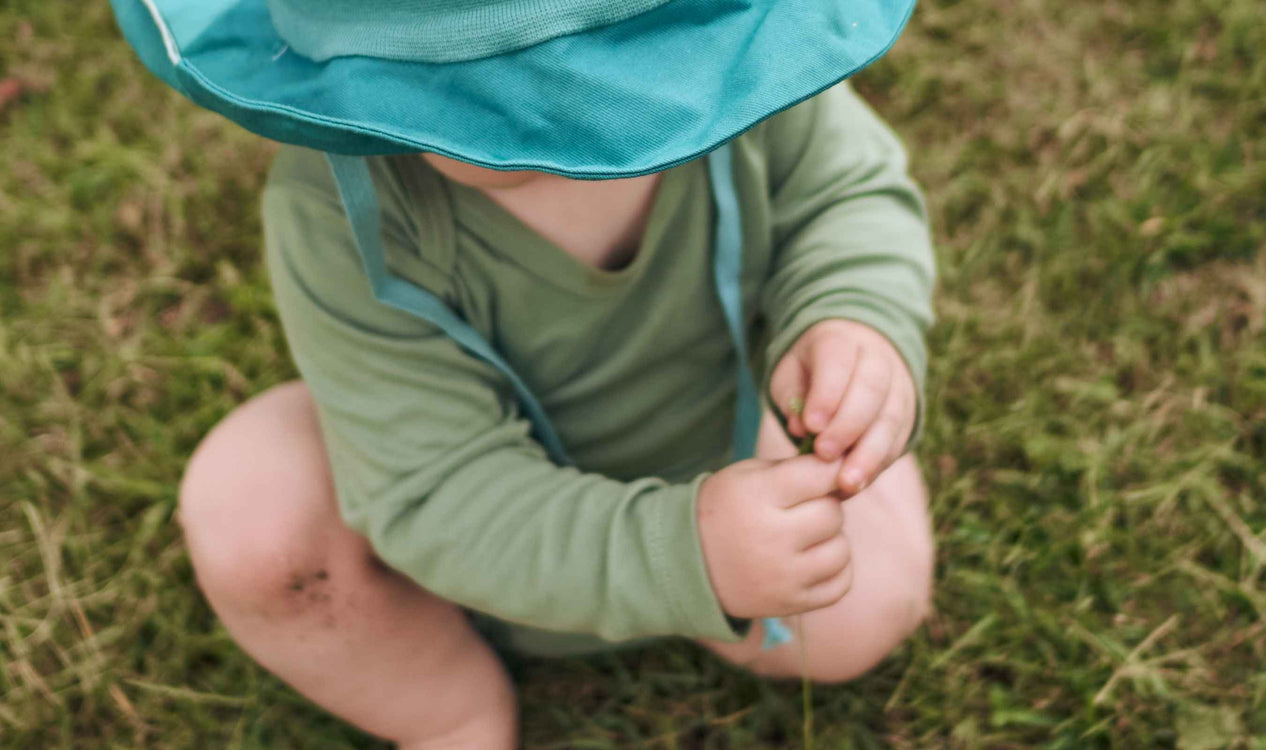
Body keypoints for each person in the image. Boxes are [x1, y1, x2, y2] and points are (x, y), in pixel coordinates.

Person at [114, 0, 936, 745]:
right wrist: (685, 555)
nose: (571, 119)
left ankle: (831, 502)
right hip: (472, 559)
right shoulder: (342, 212)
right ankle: (450, 711)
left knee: (865, 616)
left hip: (733, 478)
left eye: (615, 62)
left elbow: (848, 195)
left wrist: (852, 316)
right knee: (250, 505)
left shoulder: (746, 67)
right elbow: (437, 488)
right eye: (507, 88)